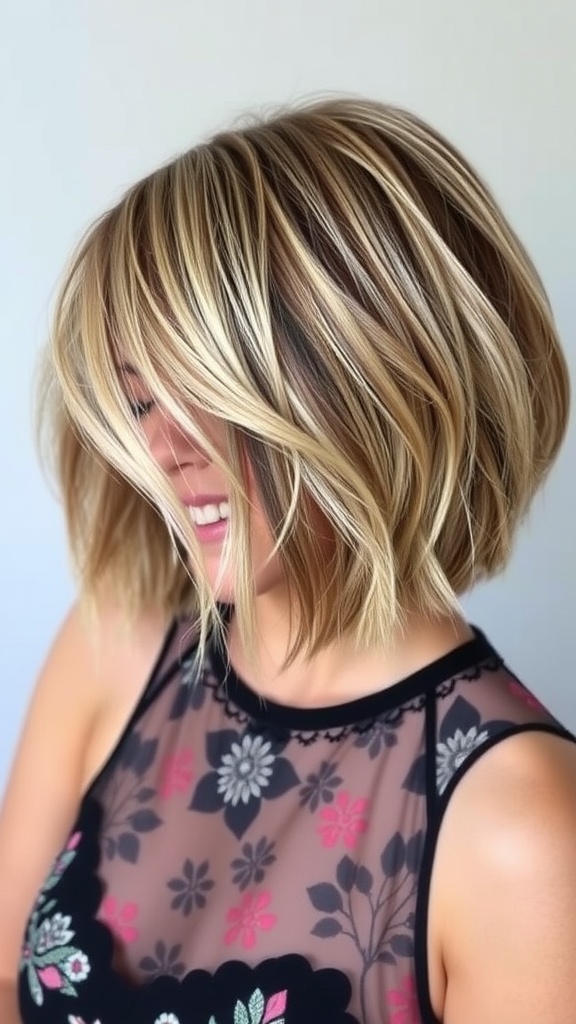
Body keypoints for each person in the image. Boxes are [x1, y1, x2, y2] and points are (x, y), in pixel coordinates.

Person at [0, 97, 574, 1024]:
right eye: (143, 402)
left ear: (372, 378)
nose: (166, 450)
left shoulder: (521, 832)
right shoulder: (122, 639)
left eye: (208, 391)